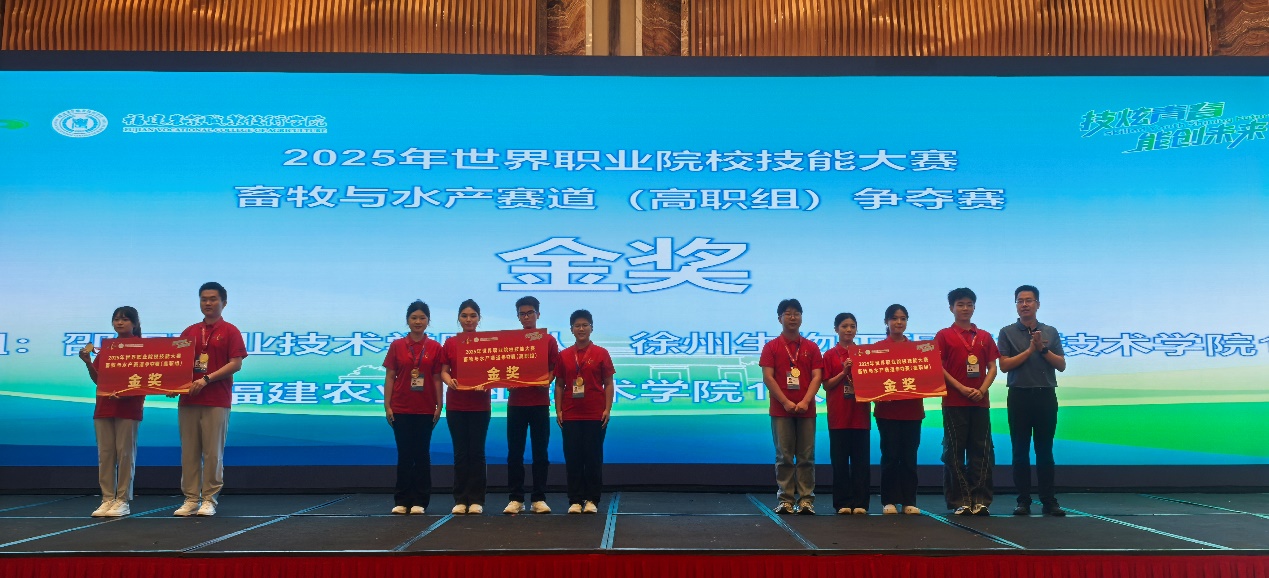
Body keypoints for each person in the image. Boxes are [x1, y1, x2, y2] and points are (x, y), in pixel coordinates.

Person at [174, 282, 247, 517]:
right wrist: (173, 385)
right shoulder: (190, 332)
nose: (208, 303)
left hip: (216, 399)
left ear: (224, 302)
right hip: (189, 400)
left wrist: (206, 379)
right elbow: (178, 364)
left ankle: (209, 499)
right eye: (204, 299)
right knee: (189, 452)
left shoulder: (230, 331)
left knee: (212, 453)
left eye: (213, 299)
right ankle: (190, 499)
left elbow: (236, 364)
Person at [998, 285, 1067, 517]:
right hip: (1019, 396)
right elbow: (1004, 365)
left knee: (1045, 451)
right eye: (1020, 301)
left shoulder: (1050, 331)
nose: (1025, 304)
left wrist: (1043, 350)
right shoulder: (1007, 332)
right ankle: (1023, 501)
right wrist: (1030, 350)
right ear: (1016, 305)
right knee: (1020, 451)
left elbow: (1061, 365)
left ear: (1038, 304)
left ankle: (1049, 500)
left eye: (1029, 300)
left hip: (1045, 395)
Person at [935, 288, 1000, 516]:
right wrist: (961, 388)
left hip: (980, 402)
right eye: (960, 304)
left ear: (974, 307)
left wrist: (982, 389)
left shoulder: (984, 336)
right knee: (953, 452)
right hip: (954, 401)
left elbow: (992, 367)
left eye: (969, 304)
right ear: (951, 308)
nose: (965, 308)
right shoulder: (943, 335)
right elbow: (938, 367)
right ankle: (960, 500)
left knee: (981, 451)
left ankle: (980, 500)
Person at [78, 306, 146, 517]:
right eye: (116, 319)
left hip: (129, 407)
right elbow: (99, 380)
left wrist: (126, 394)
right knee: (106, 454)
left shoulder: (144, 348)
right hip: (104, 406)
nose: (120, 323)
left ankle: (122, 500)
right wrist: (88, 363)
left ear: (134, 323)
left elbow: (148, 379)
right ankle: (107, 499)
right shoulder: (108, 347)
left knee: (125, 455)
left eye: (125, 319)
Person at [759, 299, 824, 515]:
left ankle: (806, 500)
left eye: (797, 313)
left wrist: (805, 401)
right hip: (781, 410)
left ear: (802, 317)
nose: (793, 317)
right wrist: (786, 402)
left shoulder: (811, 347)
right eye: (788, 313)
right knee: (784, 456)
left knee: (806, 457)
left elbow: (817, 376)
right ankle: (785, 499)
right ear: (779, 318)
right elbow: (768, 377)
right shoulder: (771, 347)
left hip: (807, 410)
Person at [382, 300, 444, 515]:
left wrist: (440, 404)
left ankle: (420, 501)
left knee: (422, 454)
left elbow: (437, 378)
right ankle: (402, 499)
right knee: (405, 454)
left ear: (428, 321)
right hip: (400, 407)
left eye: (422, 318)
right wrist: (387, 405)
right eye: (414, 318)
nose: (418, 322)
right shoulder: (397, 345)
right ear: (407, 320)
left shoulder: (435, 347)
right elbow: (390, 376)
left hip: (426, 408)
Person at [554, 309, 615, 514]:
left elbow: (608, 383)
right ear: (571, 329)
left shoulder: (601, 353)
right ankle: (575, 500)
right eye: (577, 326)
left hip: (595, 414)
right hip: (570, 414)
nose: (581, 329)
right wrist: (558, 409)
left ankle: (592, 499)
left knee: (593, 458)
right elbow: (559, 385)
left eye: (585, 325)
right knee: (573, 458)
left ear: (591, 328)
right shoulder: (564, 355)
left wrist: (607, 409)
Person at [503, 296, 558, 515]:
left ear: (538, 314)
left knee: (540, 453)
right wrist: (505, 381)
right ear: (518, 317)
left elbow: (554, 369)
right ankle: (516, 498)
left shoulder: (548, 340)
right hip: (516, 403)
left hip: (539, 403)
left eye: (530, 313)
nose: (526, 317)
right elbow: (500, 367)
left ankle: (539, 498)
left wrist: (547, 380)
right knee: (515, 453)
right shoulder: (510, 341)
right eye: (522, 314)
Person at [440, 299, 492, 515]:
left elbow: (496, 371)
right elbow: (444, 370)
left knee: (477, 452)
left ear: (479, 319)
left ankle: (477, 499)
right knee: (460, 453)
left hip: (480, 405)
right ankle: (460, 499)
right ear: (459, 318)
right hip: (456, 405)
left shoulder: (488, 342)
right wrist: (449, 381)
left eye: (473, 316)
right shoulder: (451, 343)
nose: (468, 320)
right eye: (464, 315)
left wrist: (487, 382)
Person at [874, 304, 923, 515]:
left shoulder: (917, 350)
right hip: (887, 412)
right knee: (890, 456)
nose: (899, 322)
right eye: (894, 318)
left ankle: (909, 500)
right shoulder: (876, 349)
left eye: (903, 318)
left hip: (912, 411)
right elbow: (872, 381)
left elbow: (926, 377)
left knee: (909, 458)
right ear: (886, 322)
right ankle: (889, 500)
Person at [821, 312, 871, 515]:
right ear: (836, 329)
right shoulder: (829, 355)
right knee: (840, 462)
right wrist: (844, 372)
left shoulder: (864, 354)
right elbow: (826, 385)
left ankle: (861, 503)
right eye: (844, 326)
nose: (848, 330)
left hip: (860, 416)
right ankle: (842, 502)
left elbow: (872, 383)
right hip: (838, 416)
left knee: (861, 462)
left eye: (852, 326)